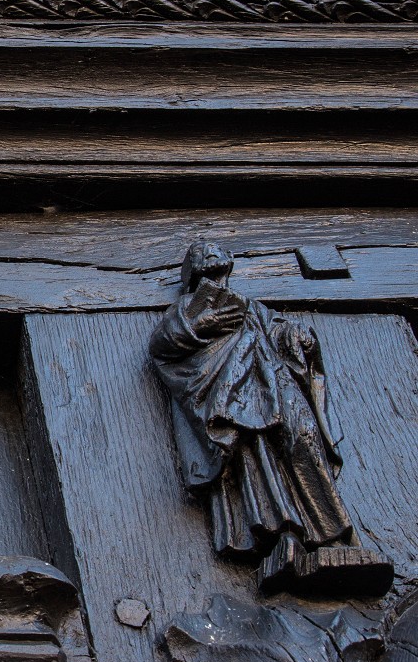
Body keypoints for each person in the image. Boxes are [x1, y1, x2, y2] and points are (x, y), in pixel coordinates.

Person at [150, 241, 391, 594]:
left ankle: (337, 533)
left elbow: (274, 329)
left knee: (305, 439)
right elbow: (162, 346)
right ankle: (286, 538)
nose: (217, 280)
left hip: (274, 384)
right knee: (260, 466)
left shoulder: (249, 306)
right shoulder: (187, 308)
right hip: (239, 399)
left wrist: (296, 337)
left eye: (220, 270)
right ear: (195, 276)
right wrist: (202, 324)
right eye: (208, 271)